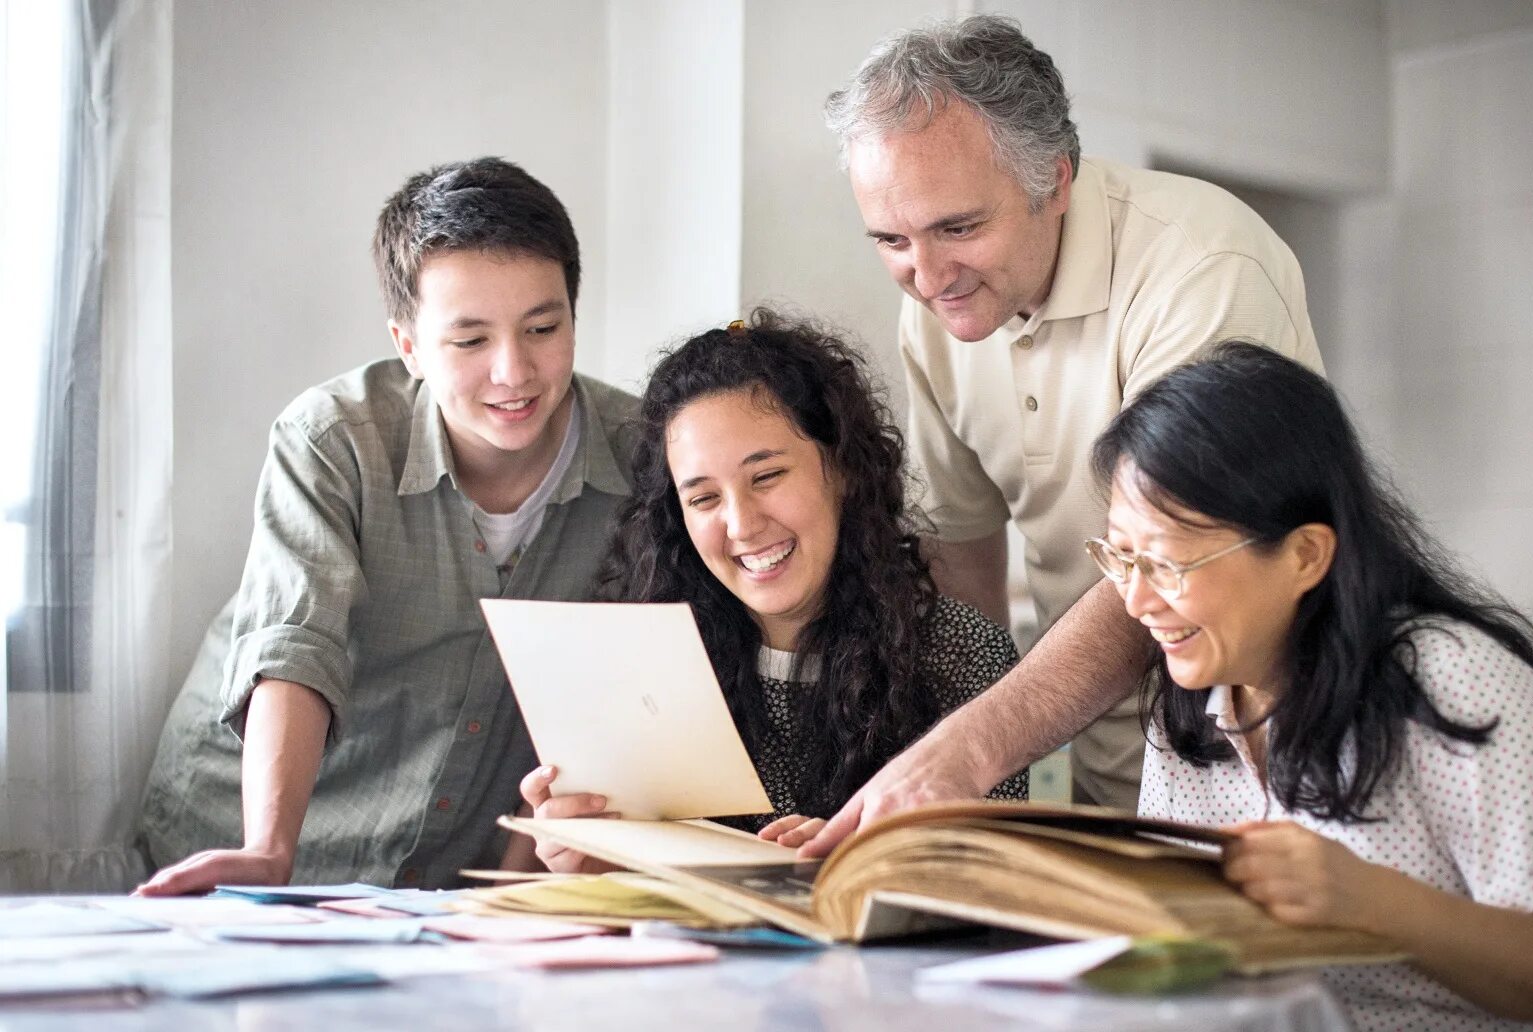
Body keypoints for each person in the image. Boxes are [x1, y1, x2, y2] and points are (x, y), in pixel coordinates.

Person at [804, 14, 1324, 853]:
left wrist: (970, 751)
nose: (927, 278)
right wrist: (956, 793)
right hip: (1111, 776)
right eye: (892, 241)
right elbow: (962, 569)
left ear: (1056, 176)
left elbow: (1174, 566)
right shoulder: (937, 309)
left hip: (1277, 775)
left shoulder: (1204, 266)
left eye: (959, 228)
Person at [136, 157, 638, 893]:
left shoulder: (642, 455)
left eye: (543, 326)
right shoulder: (335, 439)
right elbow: (296, 647)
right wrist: (268, 847)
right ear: (408, 344)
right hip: (244, 841)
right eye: (470, 341)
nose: (514, 371)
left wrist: (520, 886)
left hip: (448, 874)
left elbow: (600, 702)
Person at [1091, 342, 1533, 1030]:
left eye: (1168, 563)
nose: (1136, 601)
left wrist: (1374, 903)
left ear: (1305, 555)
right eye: (1121, 557)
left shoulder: (1458, 684)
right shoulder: (1189, 706)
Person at [506, 310, 1028, 872]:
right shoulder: (639, 665)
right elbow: (638, 900)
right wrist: (588, 860)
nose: (742, 524)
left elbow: (990, 887)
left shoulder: (963, 653)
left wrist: (862, 864)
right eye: (704, 499)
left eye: (767, 476)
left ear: (844, 468)